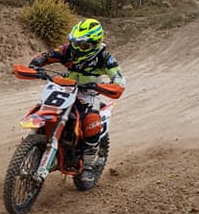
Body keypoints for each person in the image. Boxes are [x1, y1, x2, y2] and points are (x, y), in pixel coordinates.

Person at [28, 18, 126, 188]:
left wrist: (112, 85)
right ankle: (33, 144)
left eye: (83, 45)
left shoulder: (104, 57)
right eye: (75, 42)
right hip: (65, 87)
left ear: (95, 44)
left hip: (89, 92)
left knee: (91, 120)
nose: (78, 47)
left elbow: (118, 77)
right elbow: (48, 55)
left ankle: (88, 166)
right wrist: (36, 64)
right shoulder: (68, 50)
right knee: (43, 108)